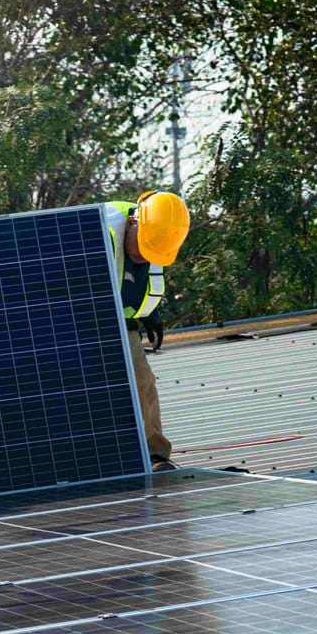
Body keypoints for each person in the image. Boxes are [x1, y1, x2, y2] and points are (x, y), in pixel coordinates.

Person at [103, 190, 189, 470]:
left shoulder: (154, 236)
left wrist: (149, 312)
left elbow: (134, 282)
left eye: (149, 254)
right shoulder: (101, 229)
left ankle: (155, 456)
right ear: (131, 223)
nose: (143, 257)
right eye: (141, 248)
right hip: (78, 321)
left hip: (118, 320)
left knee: (142, 379)